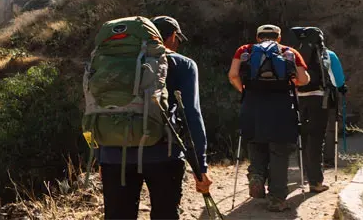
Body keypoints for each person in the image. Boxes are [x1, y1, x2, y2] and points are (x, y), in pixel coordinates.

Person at [98, 16, 212, 220]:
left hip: (115, 155)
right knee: (165, 215)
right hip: (163, 155)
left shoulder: (109, 61)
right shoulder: (182, 64)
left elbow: (97, 108)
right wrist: (200, 166)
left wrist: (101, 157)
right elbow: (192, 115)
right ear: (172, 37)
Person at [227, 24, 310, 212]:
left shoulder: (244, 50)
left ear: (258, 38)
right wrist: (290, 82)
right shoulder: (289, 52)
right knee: (280, 153)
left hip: (253, 107)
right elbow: (304, 79)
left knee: (256, 144)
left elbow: (232, 75)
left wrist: (245, 90)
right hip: (282, 109)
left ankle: (256, 174)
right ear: (278, 38)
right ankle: (277, 199)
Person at [291, 27, 348, 191]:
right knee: (316, 138)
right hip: (319, 100)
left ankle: (305, 174)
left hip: (296, 99)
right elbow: (338, 81)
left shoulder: (291, 54)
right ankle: (315, 182)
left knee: (302, 137)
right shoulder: (328, 55)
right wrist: (342, 88)